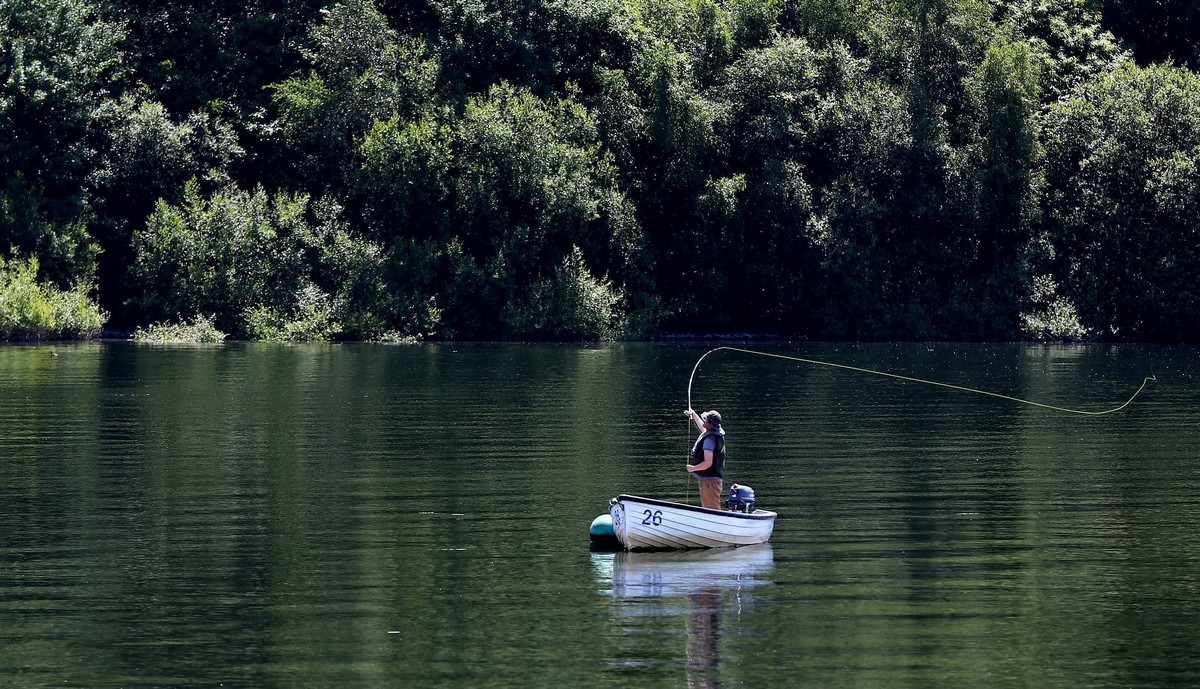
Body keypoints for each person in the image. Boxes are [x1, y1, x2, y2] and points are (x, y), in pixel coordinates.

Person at [685, 409, 725, 510]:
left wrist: (693, 468)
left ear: (710, 424)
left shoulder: (709, 440)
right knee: (709, 508)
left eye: (706, 420)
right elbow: (701, 425)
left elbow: (708, 463)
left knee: (712, 509)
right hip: (711, 480)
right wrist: (693, 414)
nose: (704, 421)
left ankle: (716, 525)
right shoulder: (713, 432)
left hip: (709, 481)